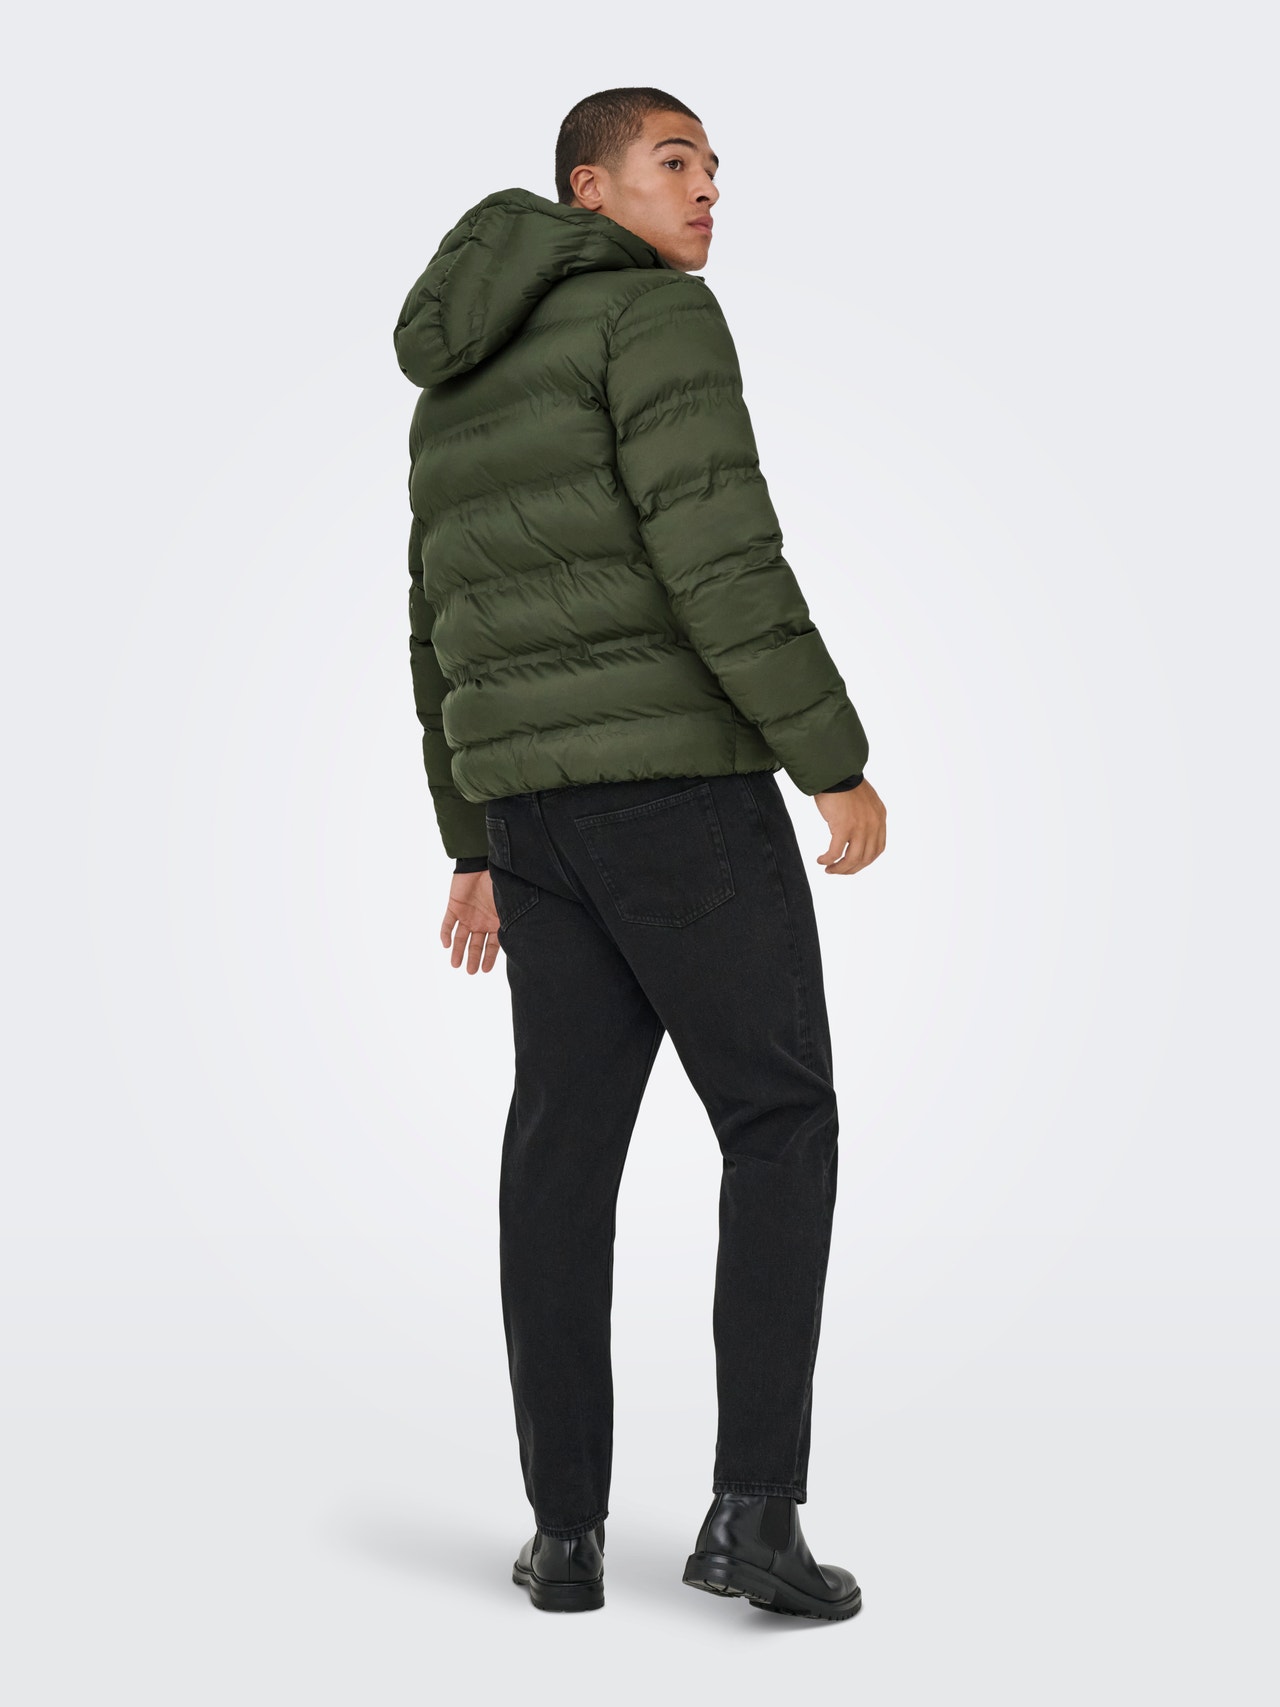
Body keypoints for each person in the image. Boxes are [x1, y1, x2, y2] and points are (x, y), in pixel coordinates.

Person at [394, 86, 886, 1620]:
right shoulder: (655, 319)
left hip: (535, 822)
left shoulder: (458, 381)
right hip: (678, 794)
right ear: (588, 190)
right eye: (676, 163)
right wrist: (832, 759)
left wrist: (473, 840)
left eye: (716, 170)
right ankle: (755, 1516)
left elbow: (438, 628)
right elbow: (720, 553)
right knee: (779, 1119)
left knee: (560, 1152)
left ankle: (564, 1535)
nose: (708, 191)